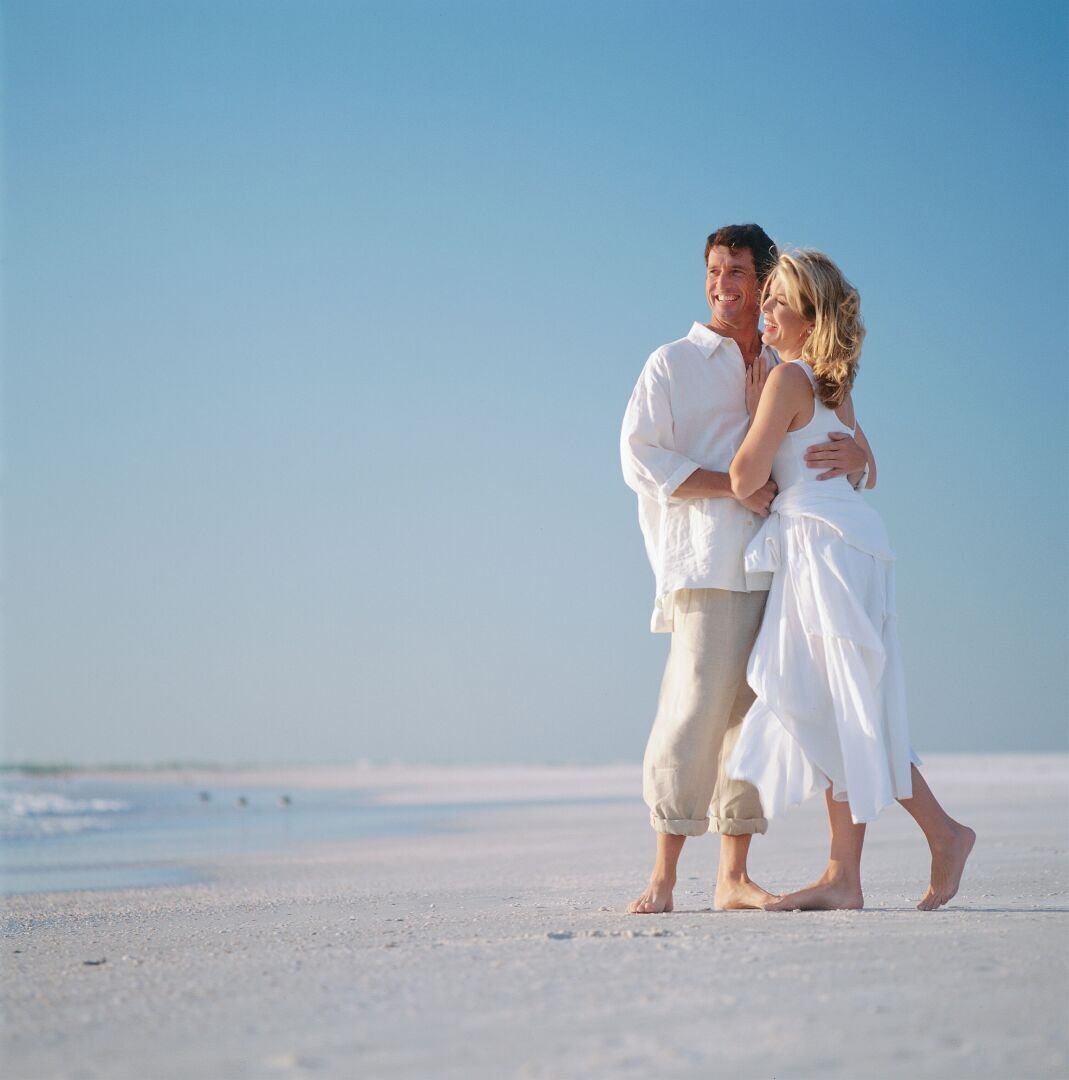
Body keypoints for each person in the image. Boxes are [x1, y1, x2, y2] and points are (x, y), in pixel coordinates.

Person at [620, 226, 872, 913]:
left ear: (764, 280)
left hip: (785, 567)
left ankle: (732, 877)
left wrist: (856, 460)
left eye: (736, 271)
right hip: (706, 560)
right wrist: (727, 484)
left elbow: (841, 453)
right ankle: (664, 877)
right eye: (712, 271)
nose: (721, 284)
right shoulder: (672, 362)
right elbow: (639, 459)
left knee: (755, 721)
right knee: (693, 710)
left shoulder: (791, 358)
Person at [727, 250, 975, 911]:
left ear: (807, 317)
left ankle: (937, 835)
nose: (765, 310)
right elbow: (865, 465)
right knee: (843, 704)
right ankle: (847, 875)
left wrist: (757, 430)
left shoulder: (786, 383)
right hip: (855, 545)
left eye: (778, 301)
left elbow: (742, 478)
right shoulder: (830, 385)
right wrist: (858, 456)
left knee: (844, 705)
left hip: (823, 551)